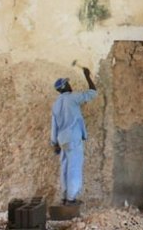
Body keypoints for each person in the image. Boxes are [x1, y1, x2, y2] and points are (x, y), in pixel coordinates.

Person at [50, 67, 97, 205]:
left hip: (62, 139)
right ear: (65, 86)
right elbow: (92, 93)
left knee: (64, 168)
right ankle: (71, 199)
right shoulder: (73, 97)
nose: (70, 85)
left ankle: (65, 197)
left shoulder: (56, 104)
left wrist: (54, 144)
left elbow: (54, 126)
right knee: (74, 168)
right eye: (68, 83)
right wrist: (87, 76)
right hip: (73, 138)